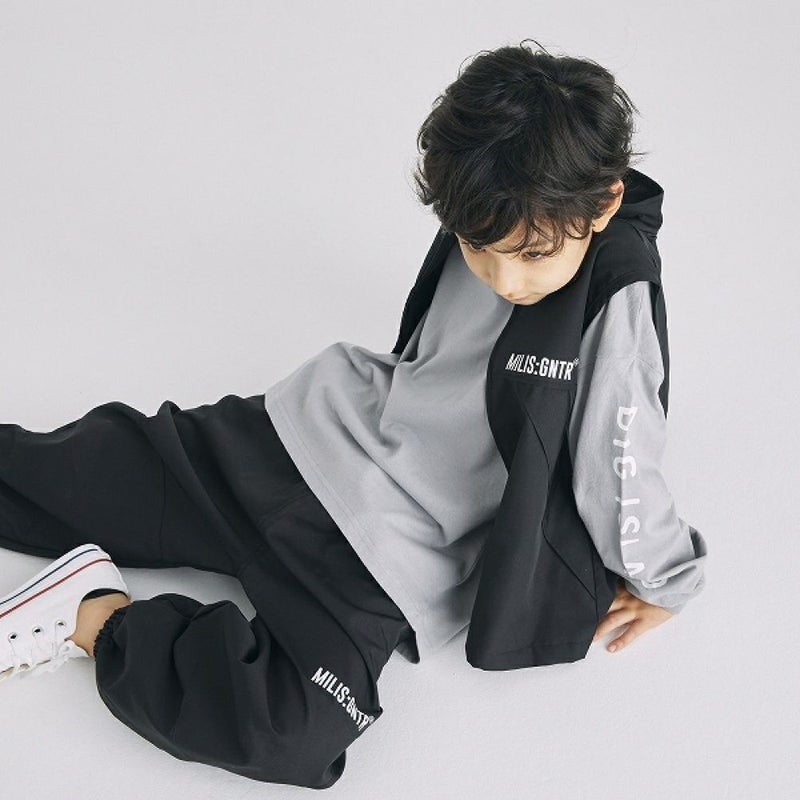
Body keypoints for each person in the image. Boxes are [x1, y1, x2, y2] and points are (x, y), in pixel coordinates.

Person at [0, 39, 707, 788]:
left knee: (288, 731)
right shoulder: (493, 191)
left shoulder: (617, 300)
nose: (504, 278)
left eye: (531, 255)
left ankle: (90, 613)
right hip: (298, 439)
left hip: (382, 558)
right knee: (58, 473)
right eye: (478, 247)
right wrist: (670, 585)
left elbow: (620, 468)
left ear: (606, 203)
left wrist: (667, 577)